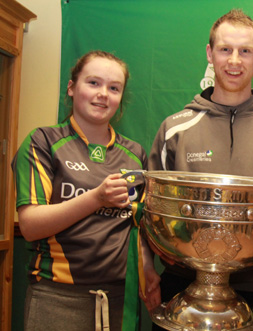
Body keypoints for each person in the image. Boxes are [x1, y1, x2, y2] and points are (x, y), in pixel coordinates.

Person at [148, 9, 253, 331]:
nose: (234, 60)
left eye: (245, 51)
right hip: (182, 286)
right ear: (210, 53)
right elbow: (150, 208)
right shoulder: (174, 129)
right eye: (225, 49)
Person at [12, 50, 160, 331]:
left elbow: (136, 225)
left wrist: (147, 268)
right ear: (71, 88)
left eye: (114, 88)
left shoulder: (135, 154)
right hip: (56, 297)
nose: (103, 94)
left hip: (119, 298)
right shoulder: (42, 141)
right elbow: (30, 225)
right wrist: (96, 198)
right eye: (93, 83)